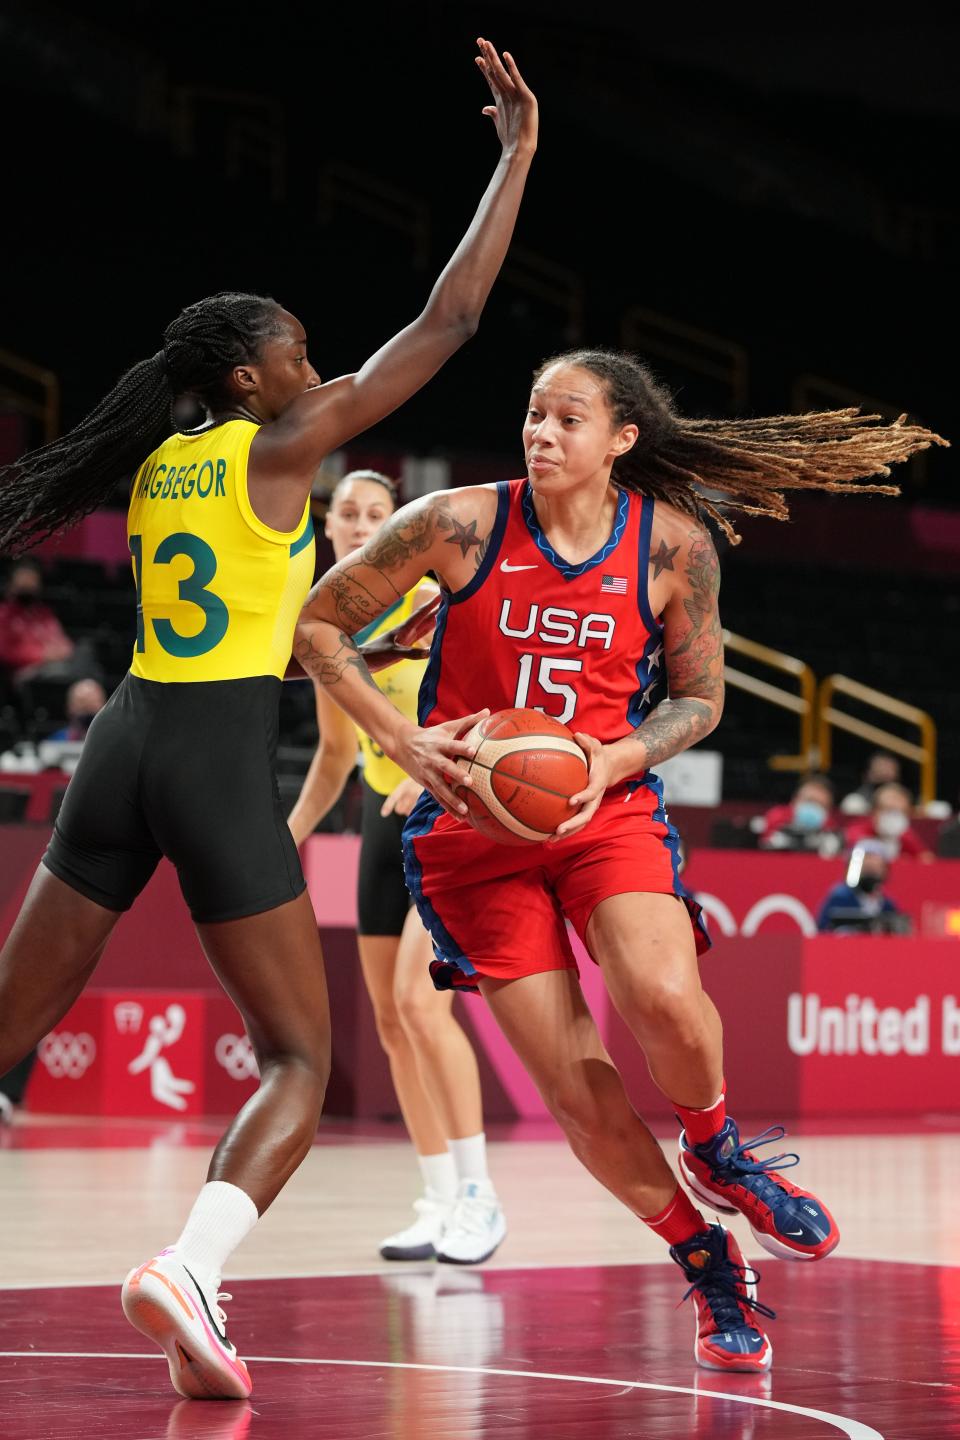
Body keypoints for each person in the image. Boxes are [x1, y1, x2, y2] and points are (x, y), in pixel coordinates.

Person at [0, 37, 537, 1400]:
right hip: (212, 754)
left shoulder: (162, 458)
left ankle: (191, 1288)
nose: (319, 367)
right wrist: (518, 156)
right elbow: (450, 325)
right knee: (300, 1054)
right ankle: (190, 1268)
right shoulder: (280, 444)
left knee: (6, 1035)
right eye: (300, 353)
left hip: (119, 743)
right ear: (250, 380)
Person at [295, 347, 942, 1371]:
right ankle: (704, 1260)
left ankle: (718, 1147)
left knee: (663, 995)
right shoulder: (457, 523)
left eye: (567, 418)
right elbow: (318, 624)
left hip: (602, 804)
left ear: (623, 439)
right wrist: (405, 740)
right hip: (471, 833)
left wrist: (616, 755)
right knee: (575, 1084)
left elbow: (700, 698)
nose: (541, 433)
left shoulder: (672, 547)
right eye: (532, 413)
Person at [288, 469, 506, 1264]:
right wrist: (289, 835)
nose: (358, 524)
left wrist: (430, 770)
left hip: (447, 815)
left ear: (398, 525)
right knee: (389, 1022)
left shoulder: (437, 598)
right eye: (347, 513)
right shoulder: (325, 623)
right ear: (329, 526)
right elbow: (335, 754)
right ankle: (440, 1198)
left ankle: (481, 1196)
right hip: (378, 828)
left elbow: (495, 703)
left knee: (421, 1003)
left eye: (376, 513)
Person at [0, 560, 75, 683]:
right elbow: (4, 652)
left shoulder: (45, 614)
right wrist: (42, 655)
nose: (28, 588)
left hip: (55, 666)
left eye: (32, 583)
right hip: (23, 673)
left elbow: (64, 643)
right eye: (24, 584)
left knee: (85, 655)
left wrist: (61, 650)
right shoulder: (3, 615)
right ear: (11, 585)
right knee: (59, 671)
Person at [816, 842, 908, 934]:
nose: (871, 875)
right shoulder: (839, 898)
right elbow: (823, 931)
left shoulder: (887, 905)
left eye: (875, 870)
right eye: (867, 869)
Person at [844, 781, 934, 862]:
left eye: (899, 812)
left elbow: (926, 858)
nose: (892, 818)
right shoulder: (858, 830)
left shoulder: (906, 834)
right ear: (875, 811)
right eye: (888, 810)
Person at [759, 774, 841, 856]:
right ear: (795, 800)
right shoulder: (776, 817)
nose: (814, 807)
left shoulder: (833, 831)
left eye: (821, 805)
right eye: (810, 801)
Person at [839, 750, 903, 815]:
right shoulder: (856, 801)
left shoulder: (903, 800)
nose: (885, 773)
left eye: (890, 769)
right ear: (867, 775)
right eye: (881, 768)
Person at [48, 677, 109, 742]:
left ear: (104, 706)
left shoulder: (113, 739)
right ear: (69, 708)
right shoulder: (55, 742)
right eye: (82, 703)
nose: (88, 711)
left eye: (93, 704)